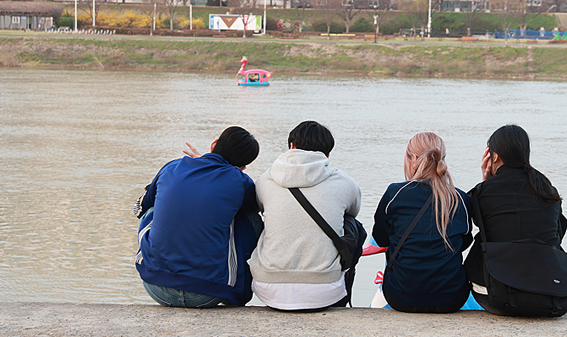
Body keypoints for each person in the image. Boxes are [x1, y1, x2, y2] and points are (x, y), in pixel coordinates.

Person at [134, 126, 262, 308]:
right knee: (247, 218)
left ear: (214, 144)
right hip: (209, 292)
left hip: (156, 286)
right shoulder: (240, 181)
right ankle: (239, 287)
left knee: (154, 208)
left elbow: (142, 206)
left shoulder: (173, 166)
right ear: (243, 167)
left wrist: (201, 167)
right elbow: (254, 209)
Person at [463, 124, 567, 317]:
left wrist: (486, 182)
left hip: (499, 296)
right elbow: (557, 236)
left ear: (494, 156)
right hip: (554, 295)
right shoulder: (548, 191)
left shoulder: (482, 193)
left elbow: (470, 232)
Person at [248, 121, 362, 311]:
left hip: (268, 287)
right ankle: (344, 292)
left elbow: (258, 207)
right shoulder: (344, 181)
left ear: (292, 146)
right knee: (352, 224)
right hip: (324, 291)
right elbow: (354, 212)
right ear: (327, 154)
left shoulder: (265, 179)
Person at [371, 132, 473, 313]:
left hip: (401, 296)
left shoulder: (395, 194)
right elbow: (464, 242)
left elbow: (381, 239)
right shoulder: (460, 199)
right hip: (451, 298)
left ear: (412, 159)